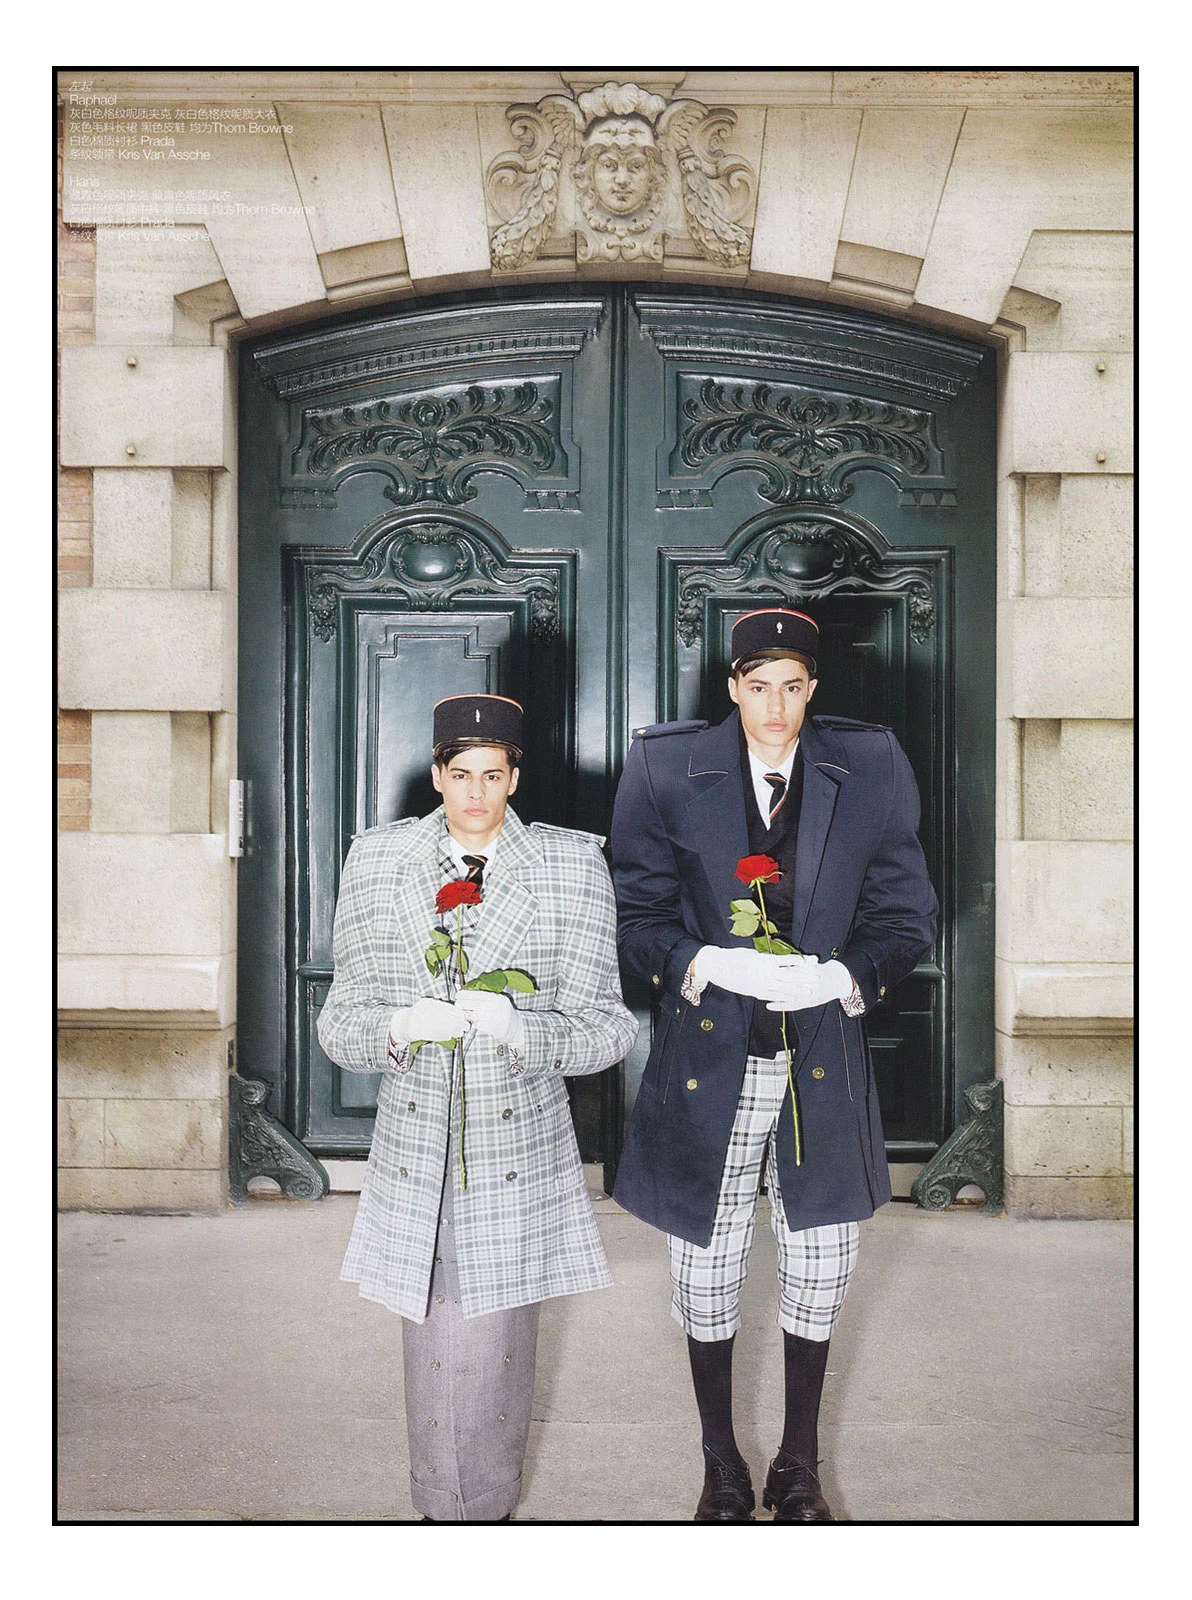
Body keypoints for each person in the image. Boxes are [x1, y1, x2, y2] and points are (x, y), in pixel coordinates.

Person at [609, 608, 938, 1523]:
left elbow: (906, 913)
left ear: (813, 688)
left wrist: (843, 976)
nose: (776, 708)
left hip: (821, 1054)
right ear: (733, 688)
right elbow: (634, 917)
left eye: (793, 687)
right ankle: (720, 1462)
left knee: (822, 1262)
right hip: (708, 1058)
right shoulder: (665, 767)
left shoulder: (869, 764)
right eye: (758, 687)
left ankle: (799, 1463)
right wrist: (704, 963)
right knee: (704, 1267)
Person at [318, 692, 637, 1523]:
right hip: (415, 1139)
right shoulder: (379, 862)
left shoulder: (570, 866)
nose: (476, 794)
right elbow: (339, 1025)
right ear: (436, 774)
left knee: (495, 1332)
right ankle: (436, 1507)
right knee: (429, 1325)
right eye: (460, 775)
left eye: (493, 776)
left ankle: (487, 1508)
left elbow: (610, 1030)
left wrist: (524, 1030)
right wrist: (397, 1026)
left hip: (517, 1140)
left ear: (515, 777)